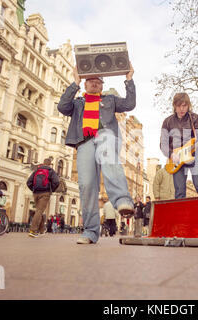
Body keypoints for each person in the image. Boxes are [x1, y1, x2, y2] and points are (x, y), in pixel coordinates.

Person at [57, 63, 136, 244]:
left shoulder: (110, 100)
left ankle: (122, 200)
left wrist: (129, 79)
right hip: (84, 142)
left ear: (102, 85)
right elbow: (62, 106)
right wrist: (75, 82)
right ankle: (90, 232)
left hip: (105, 135)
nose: (94, 83)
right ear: (85, 84)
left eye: (98, 81)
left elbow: (130, 104)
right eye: (90, 81)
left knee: (109, 159)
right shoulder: (78, 103)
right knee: (86, 185)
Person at [160, 93, 198, 199]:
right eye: (179, 106)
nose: (182, 109)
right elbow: (163, 144)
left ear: (188, 105)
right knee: (179, 192)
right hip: (177, 159)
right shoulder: (167, 121)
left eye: (184, 106)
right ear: (174, 105)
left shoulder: (195, 118)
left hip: (194, 154)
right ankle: (180, 215)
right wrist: (171, 154)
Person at [27, 158, 60, 238]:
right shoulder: (50, 171)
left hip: (36, 193)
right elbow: (56, 182)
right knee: (39, 211)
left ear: (43, 163)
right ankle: (33, 230)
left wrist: (34, 189)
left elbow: (29, 182)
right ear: (50, 164)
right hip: (45, 193)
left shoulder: (36, 171)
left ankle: (42, 230)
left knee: (39, 210)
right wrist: (51, 190)